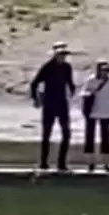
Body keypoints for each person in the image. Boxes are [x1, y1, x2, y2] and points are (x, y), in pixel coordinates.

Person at [30, 42, 76, 172]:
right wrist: (36, 98)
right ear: (55, 55)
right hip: (49, 103)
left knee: (66, 133)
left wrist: (72, 92)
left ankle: (62, 163)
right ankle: (44, 163)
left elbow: (70, 82)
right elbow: (34, 83)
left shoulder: (67, 67)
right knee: (46, 134)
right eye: (61, 55)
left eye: (64, 55)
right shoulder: (47, 67)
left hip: (62, 103)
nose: (63, 57)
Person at [81, 58, 109, 173]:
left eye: (107, 70)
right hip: (92, 111)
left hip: (106, 111)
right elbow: (84, 94)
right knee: (90, 137)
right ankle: (90, 162)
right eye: (103, 70)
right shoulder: (91, 80)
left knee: (106, 137)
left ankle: (106, 163)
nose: (105, 73)